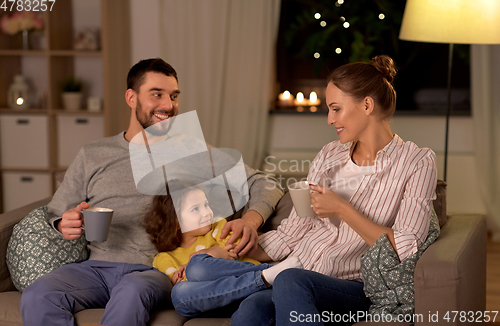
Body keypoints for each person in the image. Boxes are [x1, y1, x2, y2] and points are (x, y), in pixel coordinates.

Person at [19, 58, 284, 326]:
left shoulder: (192, 150)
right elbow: (57, 211)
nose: (168, 105)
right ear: (131, 98)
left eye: (174, 96)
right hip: (96, 268)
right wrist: (64, 223)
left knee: (131, 292)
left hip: (153, 270)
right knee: (37, 295)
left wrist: (251, 220)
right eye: (157, 94)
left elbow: (265, 182)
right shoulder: (93, 154)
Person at [231, 55, 438, 326]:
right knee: (250, 311)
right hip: (302, 272)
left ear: (367, 105)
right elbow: (292, 234)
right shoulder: (329, 155)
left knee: (290, 280)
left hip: (356, 287)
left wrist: (342, 209)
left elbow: (407, 247)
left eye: (336, 109)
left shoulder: (417, 161)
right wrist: (236, 248)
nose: (329, 120)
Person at [144, 186, 303, 318]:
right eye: (195, 209)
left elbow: (235, 250)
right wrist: (212, 254)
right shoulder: (163, 258)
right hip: (214, 302)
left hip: (251, 293)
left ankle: (267, 276)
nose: (206, 213)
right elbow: (180, 283)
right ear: (176, 222)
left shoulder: (219, 228)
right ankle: (266, 275)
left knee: (197, 267)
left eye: (206, 205)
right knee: (179, 294)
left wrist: (208, 256)